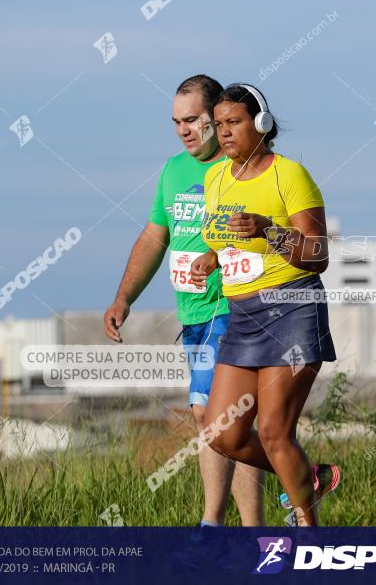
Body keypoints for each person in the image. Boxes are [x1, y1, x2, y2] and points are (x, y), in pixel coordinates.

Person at [103, 74, 265, 527]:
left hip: (233, 308)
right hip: (192, 315)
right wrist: (123, 298)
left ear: (216, 118)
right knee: (222, 423)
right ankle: (257, 524)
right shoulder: (173, 170)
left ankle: (214, 526)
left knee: (208, 412)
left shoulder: (239, 167)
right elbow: (156, 236)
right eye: (176, 122)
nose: (184, 130)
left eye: (193, 120)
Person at [190, 83, 340, 527]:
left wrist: (268, 230)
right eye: (218, 125)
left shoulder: (289, 175)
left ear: (261, 124)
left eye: (234, 122)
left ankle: (310, 536)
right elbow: (228, 241)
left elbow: (319, 255)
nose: (225, 132)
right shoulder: (214, 177)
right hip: (242, 318)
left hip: (291, 310)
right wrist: (211, 259)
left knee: (275, 432)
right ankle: (309, 476)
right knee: (223, 433)